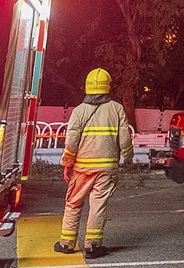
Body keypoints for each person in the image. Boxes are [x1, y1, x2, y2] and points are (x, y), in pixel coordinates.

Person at [55, 68, 134, 258]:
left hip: (82, 168)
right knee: (98, 206)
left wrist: (67, 163)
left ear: (87, 86)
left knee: (73, 203)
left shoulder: (79, 111)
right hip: (106, 169)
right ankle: (92, 246)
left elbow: (71, 142)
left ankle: (66, 243)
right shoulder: (117, 109)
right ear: (107, 86)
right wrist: (128, 157)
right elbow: (125, 139)